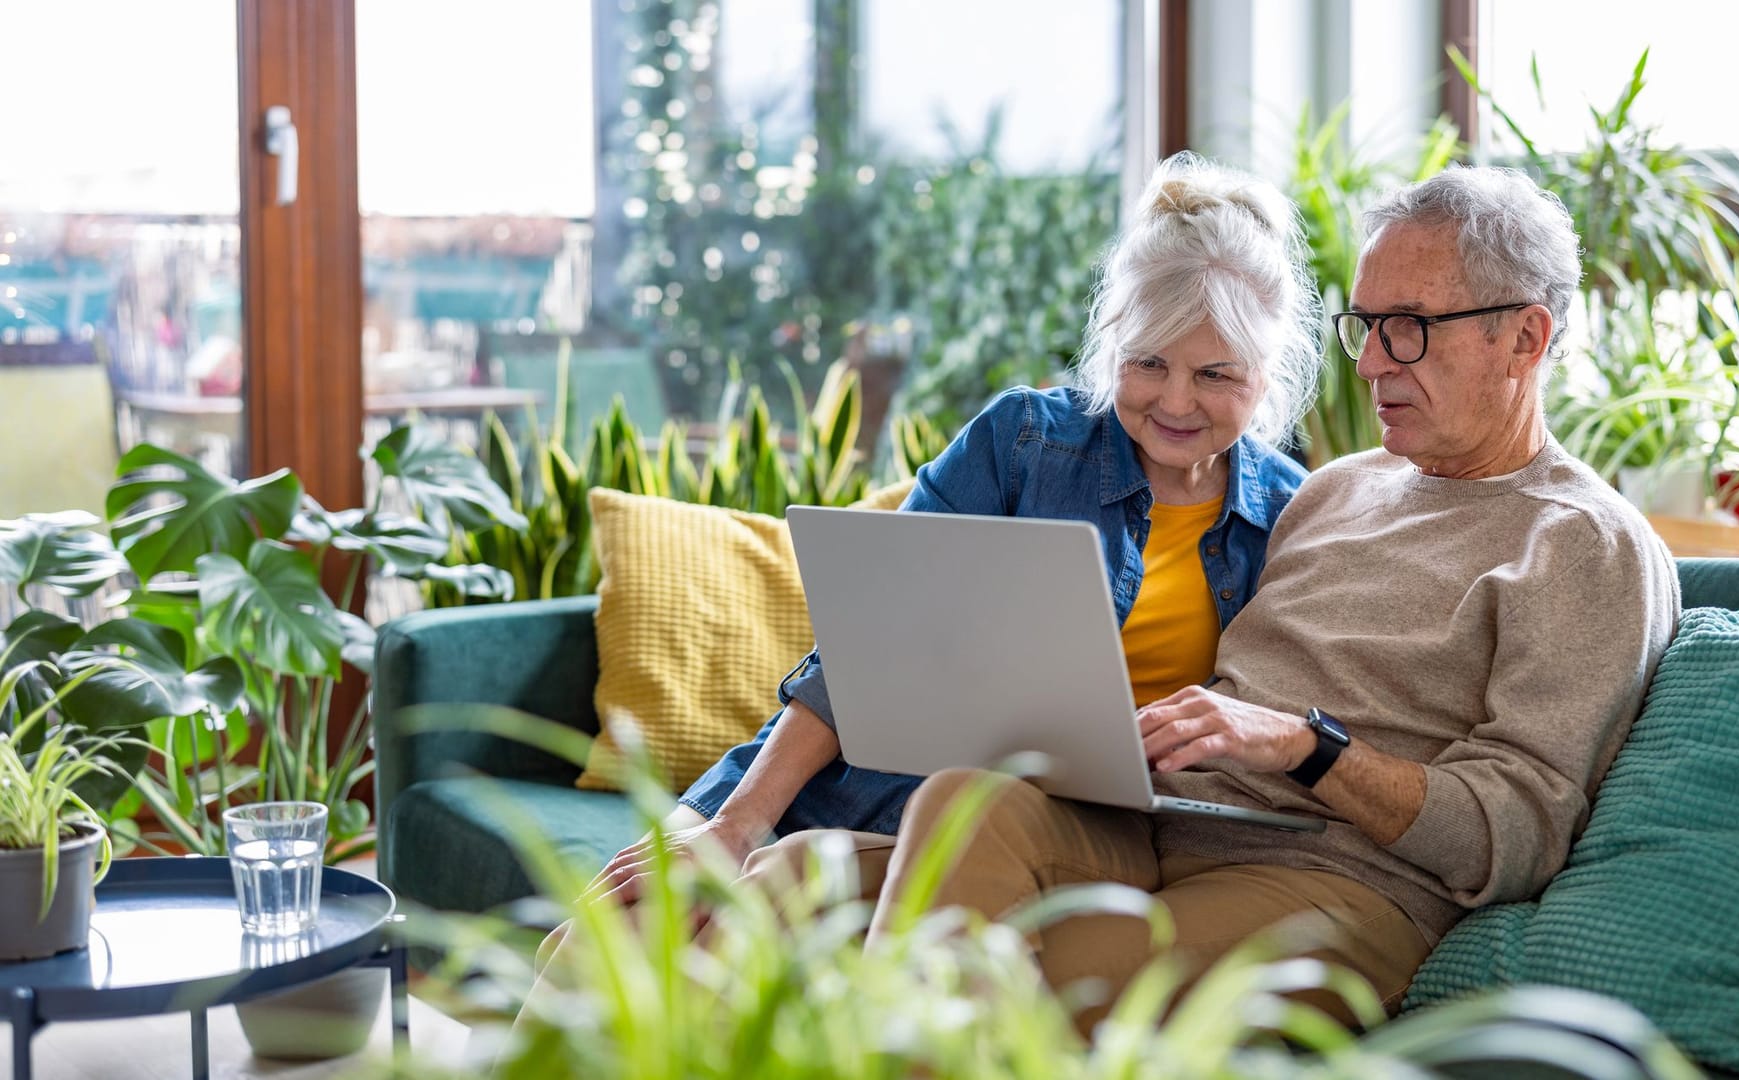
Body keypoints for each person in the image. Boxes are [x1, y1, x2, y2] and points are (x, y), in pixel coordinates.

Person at [864, 165, 1683, 1030]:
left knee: (993, 976)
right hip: (1161, 829)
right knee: (911, 825)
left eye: (1407, 329)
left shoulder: (1583, 542)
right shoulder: (1334, 491)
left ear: (1525, 338)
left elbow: (1516, 838)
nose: (1369, 363)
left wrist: (1306, 748)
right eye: (1364, 326)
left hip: (1346, 884)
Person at [576, 151, 1326, 911]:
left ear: (1267, 374)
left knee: (746, 914)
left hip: (1056, 833)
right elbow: (868, 643)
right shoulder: (1025, 441)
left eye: (1215, 374)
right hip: (872, 783)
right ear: (1112, 347)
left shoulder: (1294, 520)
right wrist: (737, 822)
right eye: (1148, 362)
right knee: (603, 932)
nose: (1174, 400)